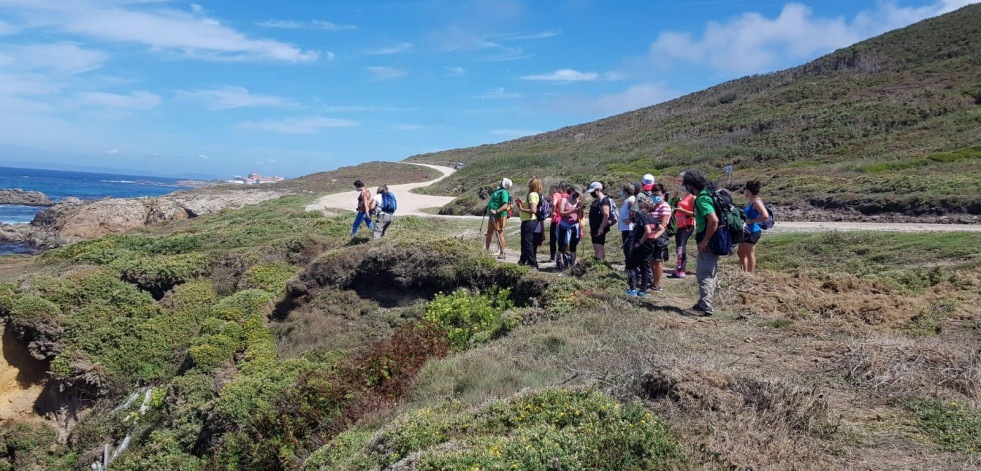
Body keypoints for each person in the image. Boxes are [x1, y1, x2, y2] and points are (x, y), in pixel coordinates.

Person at [682, 169, 720, 317]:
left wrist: (705, 241)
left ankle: (705, 306)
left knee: (704, 274)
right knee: (711, 273)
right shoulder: (709, 193)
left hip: (709, 241)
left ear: (691, 184)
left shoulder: (702, 198)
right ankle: (705, 302)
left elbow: (713, 220)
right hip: (715, 240)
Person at [626, 193, 655, 297]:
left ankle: (633, 289)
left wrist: (640, 242)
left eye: (641, 207)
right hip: (650, 245)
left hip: (641, 245)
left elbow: (647, 231)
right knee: (645, 268)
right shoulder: (652, 217)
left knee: (631, 266)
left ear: (647, 207)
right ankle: (643, 291)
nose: (639, 209)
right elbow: (660, 228)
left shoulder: (643, 217)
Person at [738, 180, 769, 273]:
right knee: (740, 253)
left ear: (749, 191)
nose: (744, 191)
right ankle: (744, 272)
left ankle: (750, 274)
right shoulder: (752, 201)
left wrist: (752, 221)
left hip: (753, 231)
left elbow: (765, 215)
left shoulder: (756, 202)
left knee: (749, 254)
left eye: (745, 189)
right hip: (747, 231)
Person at [647, 184, 672, 292]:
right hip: (651, 235)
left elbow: (663, 225)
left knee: (658, 261)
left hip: (659, 237)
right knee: (651, 260)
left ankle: (656, 284)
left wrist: (654, 235)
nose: (655, 196)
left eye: (657, 194)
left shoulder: (665, 206)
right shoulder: (654, 206)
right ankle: (653, 281)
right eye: (653, 194)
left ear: (663, 194)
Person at [669, 177, 696, 278]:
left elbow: (695, 213)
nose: (682, 186)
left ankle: (681, 271)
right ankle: (679, 269)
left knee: (681, 247)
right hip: (679, 226)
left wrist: (682, 210)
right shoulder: (685, 196)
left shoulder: (693, 197)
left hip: (687, 226)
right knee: (679, 248)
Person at [515, 177, 543, 269]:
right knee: (528, 243)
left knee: (527, 243)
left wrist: (521, 209)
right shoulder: (536, 194)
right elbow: (532, 206)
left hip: (529, 222)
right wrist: (522, 203)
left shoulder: (532, 195)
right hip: (533, 222)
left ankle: (533, 264)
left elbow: (533, 210)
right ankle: (523, 261)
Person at [556, 188, 583, 271]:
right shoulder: (564, 200)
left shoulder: (579, 202)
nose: (577, 195)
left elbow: (581, 217)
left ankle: (571, 266)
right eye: (576, 193)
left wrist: (580, 210)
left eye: (579, 194)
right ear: (572, 191)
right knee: (562, 246)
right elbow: (560, 213)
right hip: (564, 227)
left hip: (574, 228)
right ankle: (560, 265)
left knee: (573, 247)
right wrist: (572, 211)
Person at [485, 178, 513, 260]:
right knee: (489, 232)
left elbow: (505, 206)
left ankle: (502, 252)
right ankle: (486, 251)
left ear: (504, 184)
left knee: (500, 233)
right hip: (492, 215)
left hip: (499, 216)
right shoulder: (498, 191)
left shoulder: (504, 193)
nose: (500, 182)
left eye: (502, 181)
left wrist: (496, 211)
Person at [587, 181, 613, 260]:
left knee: (599, 247)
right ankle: (598, 262)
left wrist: (601, 227)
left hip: (599, 228)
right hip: (595, 228)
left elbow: (606, 214)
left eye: (593, 191)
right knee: (596, 246)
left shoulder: (604, 200)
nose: (592, 193)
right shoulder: (596, 201)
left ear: (598, 190)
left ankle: (600, 263)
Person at [548, 183, 569, 262]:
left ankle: (553, 257)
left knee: (553, 238)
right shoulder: (567, 196)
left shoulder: (556, 195)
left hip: (556, 219)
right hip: (564, 219)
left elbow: (553, 203)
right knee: (563, 238)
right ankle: (563, 255)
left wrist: (553, 211)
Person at [618, 183, 637, 269]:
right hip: (625, 228)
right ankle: (629, 267)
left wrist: (632, 220)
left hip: (629, 228)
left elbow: (637, 211)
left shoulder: (631, 200)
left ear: (626, 191)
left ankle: (630, 269)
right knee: (626, 249)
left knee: (628, 249)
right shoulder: (628, 200)